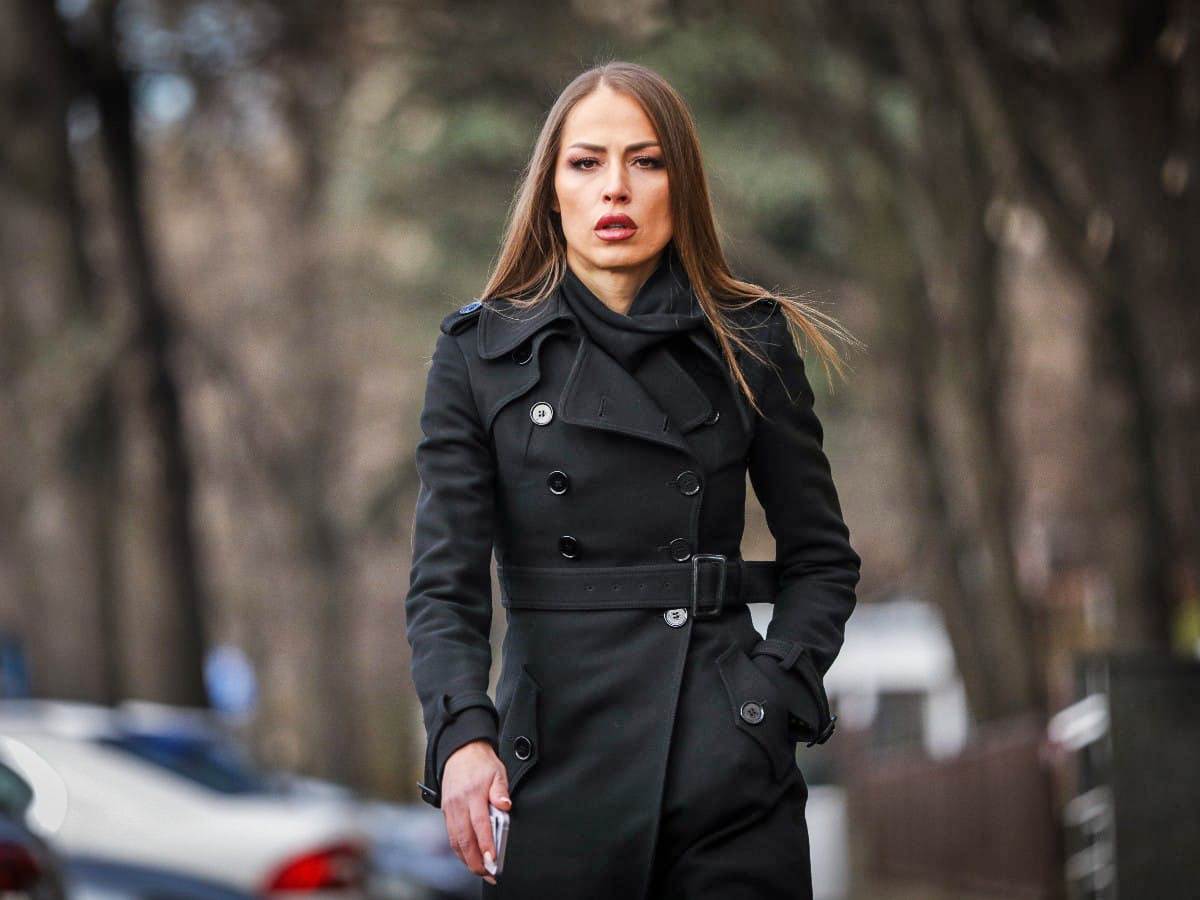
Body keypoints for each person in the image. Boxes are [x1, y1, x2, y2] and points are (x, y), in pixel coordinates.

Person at [404, 60, 862, 900]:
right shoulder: (477, 355)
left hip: (726, 774)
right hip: (552, 769)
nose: (615, 187)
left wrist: (768, 703)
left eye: (646, 161)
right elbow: (444, 586)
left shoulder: (750, 341)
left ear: (681, 185)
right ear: (551, 191)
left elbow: (823, 560)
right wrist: (462, 735)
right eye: (586, 162)